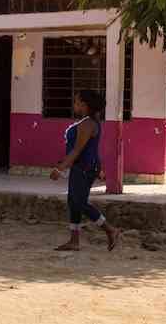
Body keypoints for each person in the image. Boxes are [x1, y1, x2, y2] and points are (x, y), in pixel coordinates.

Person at [50, 89, 120, 251]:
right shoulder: (88, 122)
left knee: (79, 202)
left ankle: (110, 229)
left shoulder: (87, 124)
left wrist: (60, 169)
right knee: (73, 202)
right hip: (83, 166)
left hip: (83, 167)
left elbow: (77, 150)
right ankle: (74, 240)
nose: (74, 105)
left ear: (85, 105)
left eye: (77, 102)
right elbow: (92, 149)